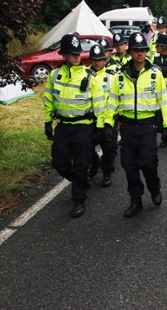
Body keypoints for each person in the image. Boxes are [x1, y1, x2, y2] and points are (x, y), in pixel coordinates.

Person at [105, 32, 167, 218]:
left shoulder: (155, 74)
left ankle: (154, 188)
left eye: (142, 50)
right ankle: (136, 200)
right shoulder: (120, 76)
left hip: (147, 126)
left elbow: (164, 101)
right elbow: (112, 101)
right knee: (129, 166)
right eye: (136, 51)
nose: (140, 54)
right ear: (131, 52)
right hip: (127, 127)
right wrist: (106, 124)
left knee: (149, 163)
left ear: (146, 51)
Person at [43, 34, 107, 217]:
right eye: (72, 53)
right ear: (64, 55)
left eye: (78, 53)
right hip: (63, 126)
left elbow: (100, 103)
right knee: (59, 162)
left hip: (83, 126)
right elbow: (48, 99)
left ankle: (79, 198)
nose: (77, 56)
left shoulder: (90, 76)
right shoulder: (55, 75)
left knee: (81, 165)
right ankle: (81, 182)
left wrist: (100, 127)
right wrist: (48, 121)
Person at [87, 43, 115, 187]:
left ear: (105, 60)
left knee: (107, 148)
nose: (97, 63)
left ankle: (107, 172)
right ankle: (95, 163)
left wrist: (113, 118)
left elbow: (116, 98)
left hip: (106, 119)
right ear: (90, 60)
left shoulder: (111, 77)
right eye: (94, 60)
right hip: (89, 119)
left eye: (100, 60)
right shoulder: (85, 76)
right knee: (86, 145)